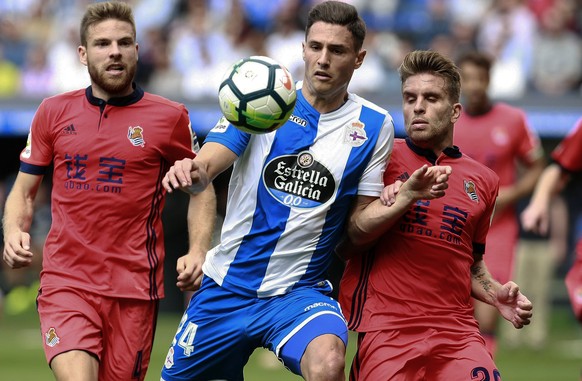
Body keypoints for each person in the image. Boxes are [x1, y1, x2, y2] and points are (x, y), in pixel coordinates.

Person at [160, 2, 395, 380]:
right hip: (227, 287)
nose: (323, 59)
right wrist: (193, 170)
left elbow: (358, 224)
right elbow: (206, 168)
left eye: (337, 51)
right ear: (302, 48)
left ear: (359, 58)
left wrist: (401, 200)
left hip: (299, 294)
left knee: (330, 363)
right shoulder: (263, 100)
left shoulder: (374, 125)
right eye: (315, 47)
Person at [1, 2, 216, 380]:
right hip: (66, 282)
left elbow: (202, 188)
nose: (114, 51)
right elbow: (24, 188)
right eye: (102, 43)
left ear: (136, 49)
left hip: (134, 289)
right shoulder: (52, 111)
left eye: (123, 42)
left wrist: (198, 251)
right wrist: (12, 231)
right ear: (83, 54)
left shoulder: (170, 117)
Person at [337, 50, 533, 381]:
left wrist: (494, 293)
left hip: (456, 331)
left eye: (431, 98)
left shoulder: (483, 180)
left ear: (455, 111)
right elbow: (347, 241)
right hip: (388, 329)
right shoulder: (381, 158)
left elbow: (471, 261)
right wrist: (401, 200)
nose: (418, 106)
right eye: (410, 98)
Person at [453, 50, 545, 356]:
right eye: (468, 79)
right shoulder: (448, 121)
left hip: (498, 230)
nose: (475, 86)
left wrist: (510, 193)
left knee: (489, 308)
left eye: (480, 79)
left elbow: (537, 166)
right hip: (455, 226)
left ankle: (483, 370)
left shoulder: (514, 119)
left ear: (489, 80)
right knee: (456, 310)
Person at [522, 118, 582, 324]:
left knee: (539, 291)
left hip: (543, 244)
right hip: (523, 240)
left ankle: (536, 336)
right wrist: (539, 203)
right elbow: (558, 169)